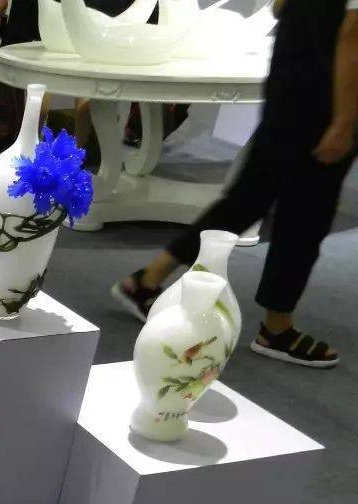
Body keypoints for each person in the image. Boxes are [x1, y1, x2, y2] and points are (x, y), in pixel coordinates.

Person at [112, 0, 358, 368]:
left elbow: (279, 8)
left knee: (250, 196)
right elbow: (352, 35)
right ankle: (276, 328)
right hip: (324, 96)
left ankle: (148, 279)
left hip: (291, 77)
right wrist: (345, 120)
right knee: (305, 214)